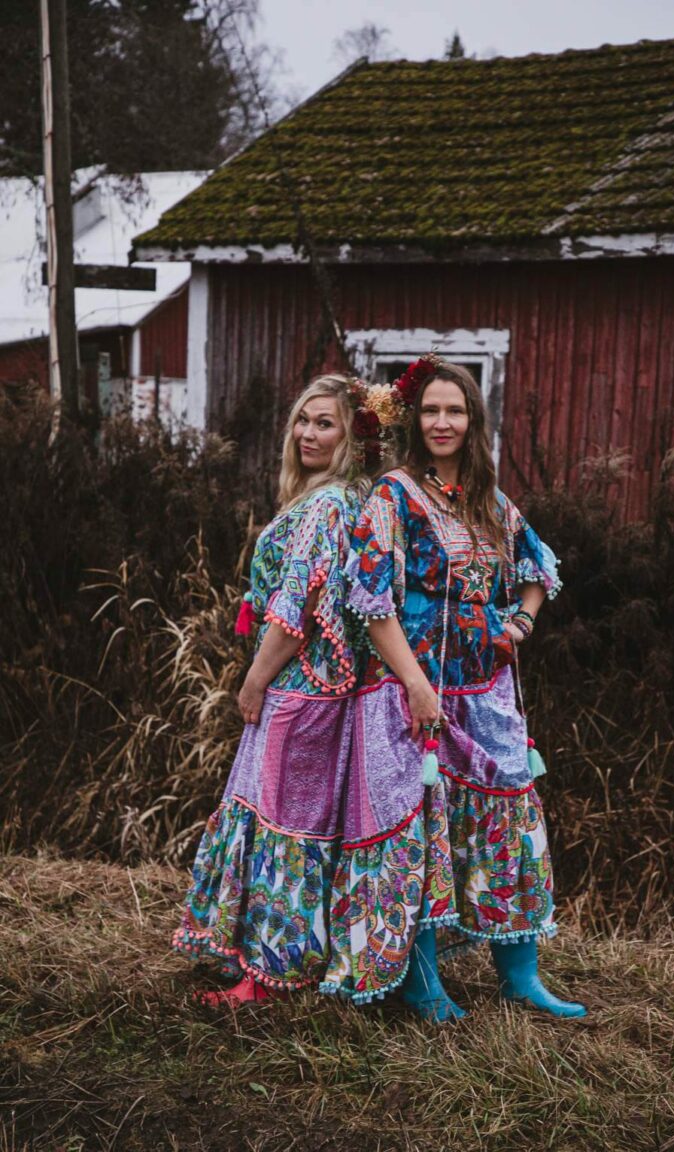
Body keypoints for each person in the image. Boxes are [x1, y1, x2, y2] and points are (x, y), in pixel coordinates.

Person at [320, 357, 586, 1021]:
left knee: (506, 822)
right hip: (411, 689)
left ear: (473, 421)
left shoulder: (490, 501)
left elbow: (538, 565)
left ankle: (519, 975)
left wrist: (520, 619)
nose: (443, 422)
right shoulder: (395, 496)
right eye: (432, 410)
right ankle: (422, 981)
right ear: (416, 420)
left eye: (455, 411)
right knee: (423, 831)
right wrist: (413, 683)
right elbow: (371, 600)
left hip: (485, 690)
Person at [172, 374, 376, 1004]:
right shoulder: (329, 498)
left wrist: (254, 679)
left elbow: (299, 608)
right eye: (303, 420)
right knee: (283, 822)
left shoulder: (328, 504)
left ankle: (270, 979)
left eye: (326, 423)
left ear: (352, 437)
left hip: (302, 688)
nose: (308, 433)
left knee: (287, 829)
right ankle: (273, 964)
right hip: (317, 688)